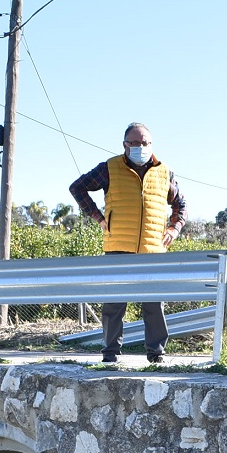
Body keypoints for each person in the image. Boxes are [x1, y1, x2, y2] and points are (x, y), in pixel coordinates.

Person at [69, 123, 187, 364]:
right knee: (114, 303)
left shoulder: (165, 172)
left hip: (153, 248)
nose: (140, 147)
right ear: (125, 145)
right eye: (134, 143)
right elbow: (77, 188)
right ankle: (110, 353)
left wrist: (174, 229)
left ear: (151, 144)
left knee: (154, 304)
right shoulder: (109, 168)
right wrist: (98, 217)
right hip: (118, 246)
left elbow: (181, 205)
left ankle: (156, 354)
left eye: (145, 143)